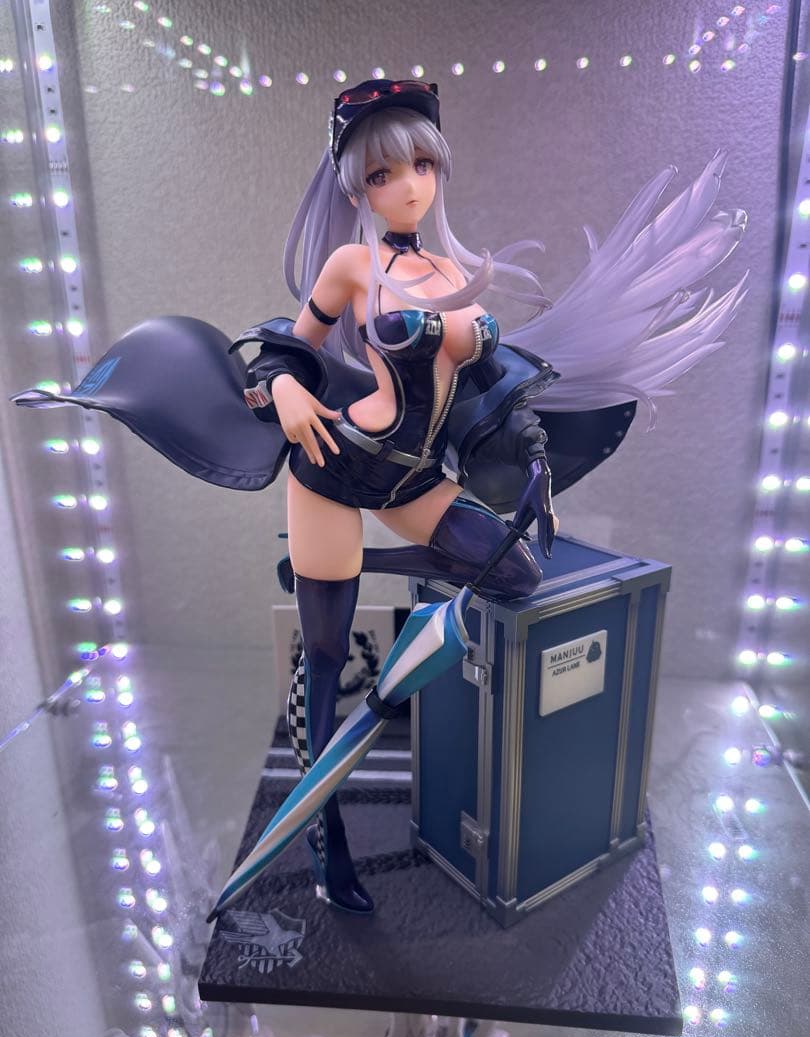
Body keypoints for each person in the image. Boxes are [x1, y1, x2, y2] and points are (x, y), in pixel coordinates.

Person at [12, 78, 747, 916]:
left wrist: (535, 453)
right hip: (337, 464)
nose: (408, 187)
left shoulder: (454, 272)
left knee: (515, 573)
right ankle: (326, 846)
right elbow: (285, 349)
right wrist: (284, 390)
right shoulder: (352, 266)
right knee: (325, 662)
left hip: (414, 478)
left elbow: (492, 390)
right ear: (356, 188)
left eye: (422, 166)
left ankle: (362, 565)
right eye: (382, 175)